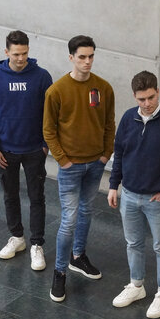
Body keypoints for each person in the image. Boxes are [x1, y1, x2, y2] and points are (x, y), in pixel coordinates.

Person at [107, 71, 160, 319]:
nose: (147, 104)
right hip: (130, 195)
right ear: (134, 96)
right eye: (141, 99)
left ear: (158, 92)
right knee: (133, 243)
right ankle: (136, 286)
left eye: (151, 97)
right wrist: (114, 186)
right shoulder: (127, 118)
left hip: (158, 200)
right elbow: (120, 153)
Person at [43, 35, 115, 302]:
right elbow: (48, 130)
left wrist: (106, 155)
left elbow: (109, 123)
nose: (87, 62)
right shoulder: (57, 90)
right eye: (82, 57)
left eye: (91, 56)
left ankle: (78, 256)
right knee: (69, 219)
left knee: (86, 211)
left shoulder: (104, 88)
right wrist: (63, 160)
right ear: (71, 57)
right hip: (70, 167)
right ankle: (59, 272)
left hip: (95, 163)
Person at [0, 30, 53, 271]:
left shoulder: (42, 77)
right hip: (6, 151)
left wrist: (46, 145)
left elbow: (50, 114)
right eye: (16, 54)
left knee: (37, 197)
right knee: (10, 195)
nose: (21, 58)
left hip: (34, 149)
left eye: (24, 53)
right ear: (6, 52)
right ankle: (17, 237)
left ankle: (36, 244)